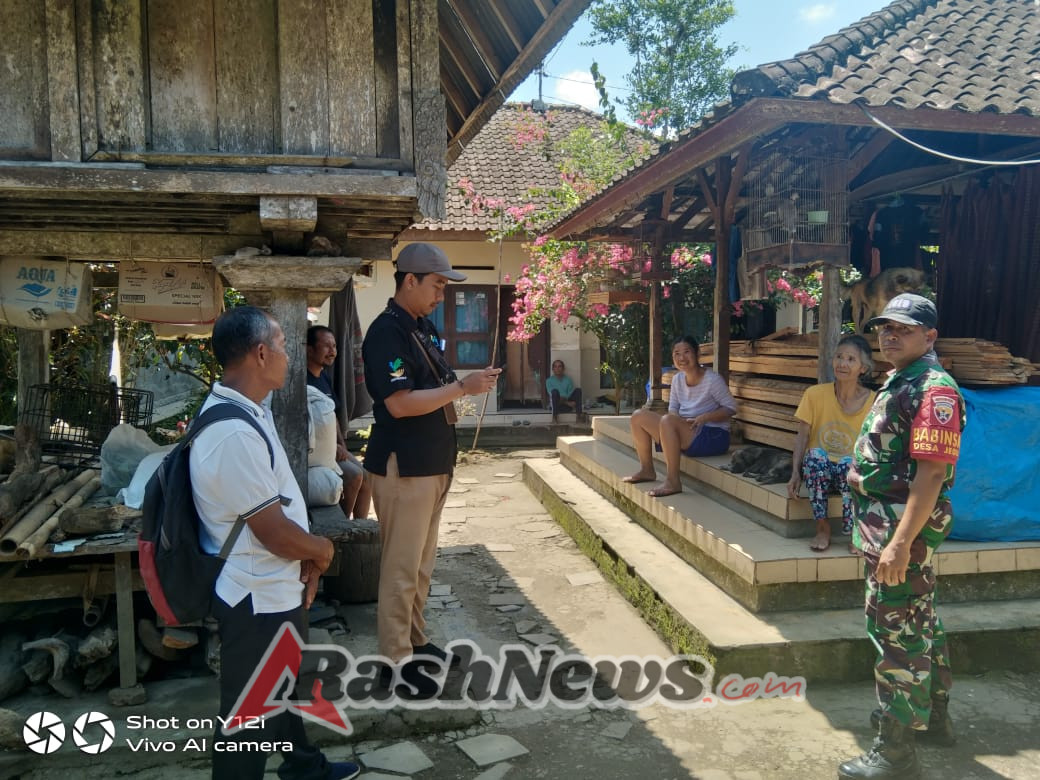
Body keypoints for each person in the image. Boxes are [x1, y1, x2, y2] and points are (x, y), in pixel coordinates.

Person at [189, 306, 359, 780]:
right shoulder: (231, 433)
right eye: (284, 345)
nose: (290, 355)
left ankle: (303, 767)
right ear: (261, 353)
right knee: (247, 722)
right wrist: (321, 552)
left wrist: (304, 562)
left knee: (279, 687)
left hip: (272, 585)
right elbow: (274, 532)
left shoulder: (248, 410)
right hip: (255, 596)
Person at [362, 243, 501, 697]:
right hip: (405, 466)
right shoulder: (387, 333)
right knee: (401, 569)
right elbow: (400, 404)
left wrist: (462, 386)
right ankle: (394, 662)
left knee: (421, 566)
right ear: (410, 280)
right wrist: (463, 387)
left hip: (432, 462)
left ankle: (415, 642)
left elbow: (434, 386)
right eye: (437, 285)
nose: (442, 295)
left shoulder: (420, 328)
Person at [838, 294, 965, 780]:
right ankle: (933, 719)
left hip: (899, 531)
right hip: (887, 525)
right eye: (884, 328)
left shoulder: (934, 390)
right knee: (920, 621)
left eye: (903, 329)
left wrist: (899, 544)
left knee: (895, 632)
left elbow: (931, 474)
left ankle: (895, 752)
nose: (889, 335)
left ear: (929, 336)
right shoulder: (903, 378)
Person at [787, 335, 876, 553]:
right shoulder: (814, 394)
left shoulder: (874, 401)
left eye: (851, 359)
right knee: (815, 456)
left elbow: (875, 445)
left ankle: (855, 532)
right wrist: (795, 472)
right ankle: (822, 528)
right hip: (820, 470)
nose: (842, 363)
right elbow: (802, 436)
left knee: (850, 462)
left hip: (852, 472)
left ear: (863, 368)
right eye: (839, 357)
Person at [623, 336, 736, 498]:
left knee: (668, 420)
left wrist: (704, 417)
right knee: (638, 416)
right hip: (689, 430)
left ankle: (673, 481)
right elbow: (673, 409)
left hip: (713, 435)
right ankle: (647, 470)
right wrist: (676, 424)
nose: (682, 358)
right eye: (677, 353)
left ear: (697, 354)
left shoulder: (712, 380)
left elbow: (731, 408)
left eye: (687, 352)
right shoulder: (677, 379)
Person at [306, 325, 372, 518]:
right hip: (316, 453)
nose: (333, 351)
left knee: (368, 478)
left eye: (334, 346)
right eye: (326, 346)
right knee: (354, 476)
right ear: (309, 349)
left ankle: (360, 528)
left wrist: (341, 444)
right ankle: (341, 526)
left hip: (334, 447)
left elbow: (332, 414)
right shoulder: (302, 382)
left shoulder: (323, 377)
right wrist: (332, 447)